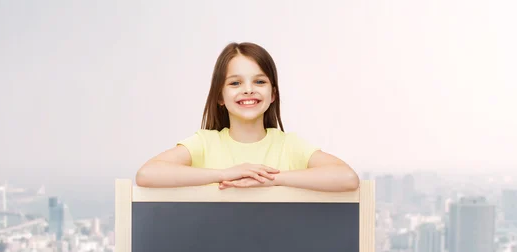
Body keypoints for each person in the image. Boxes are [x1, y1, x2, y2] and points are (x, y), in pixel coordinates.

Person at [136, 42, 359, 192]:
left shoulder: (288, 145)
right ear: (220, 96)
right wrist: (225, 174)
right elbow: (147, 174)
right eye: (235, 83)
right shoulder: (204, 143)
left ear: (273, 94)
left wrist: (271, 180)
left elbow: (347, 178)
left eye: (259, 82)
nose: (248, 90)